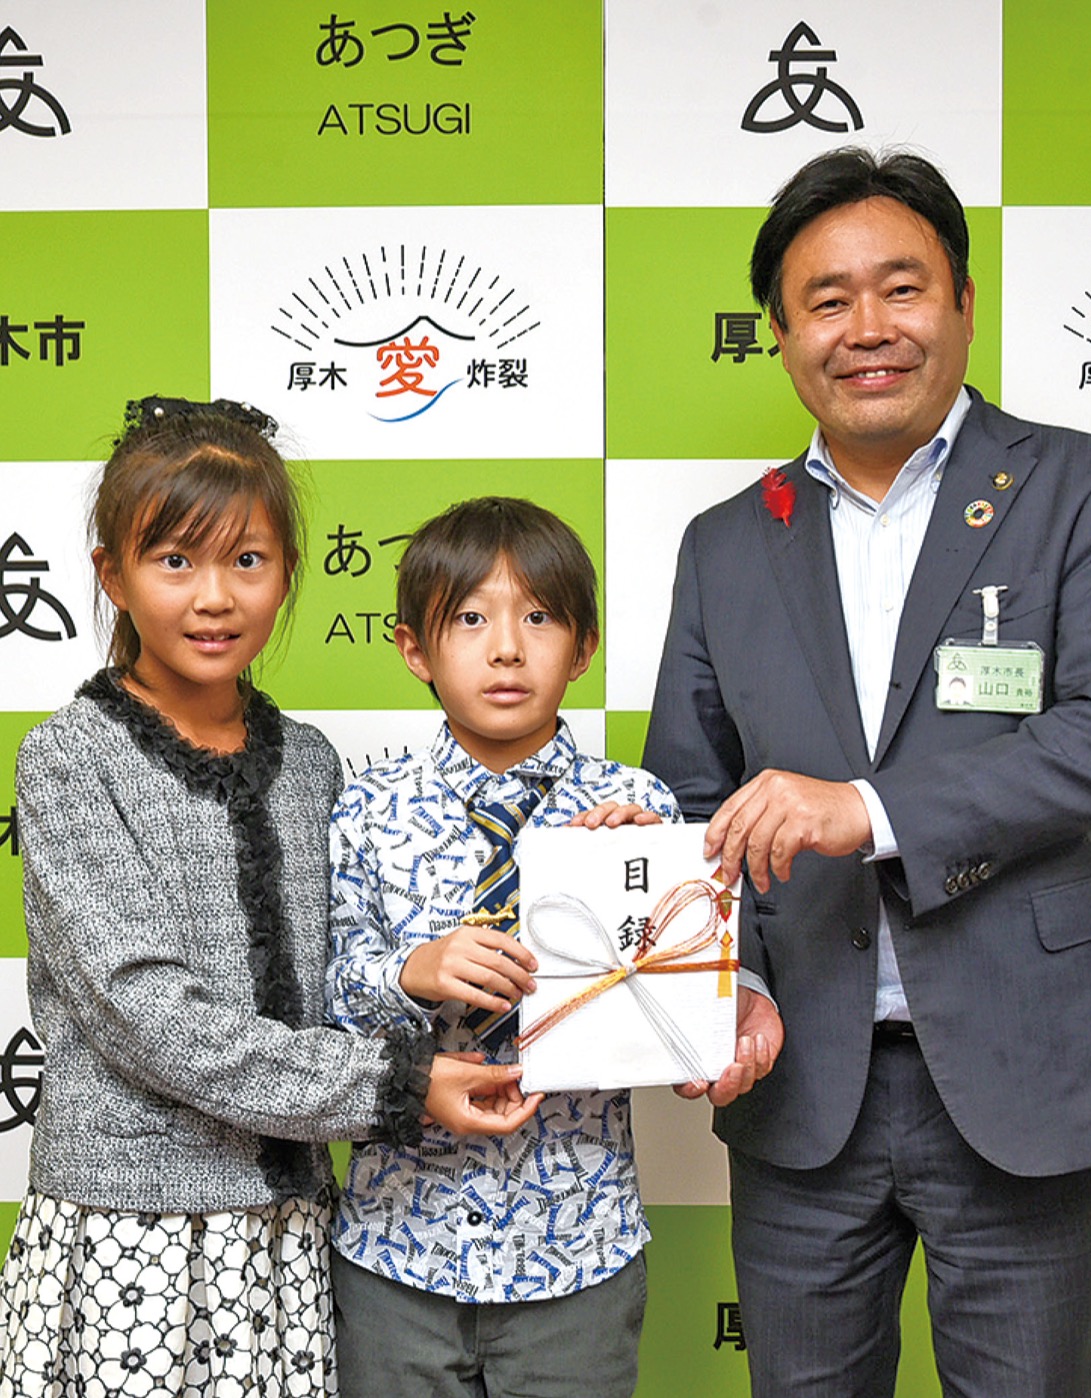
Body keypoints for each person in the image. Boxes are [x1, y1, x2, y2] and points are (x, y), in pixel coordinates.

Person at [643, 148, 1091, 1397]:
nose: (869, 328)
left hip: (1028, 1075)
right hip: (800, 1086)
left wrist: (866, 810)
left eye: (902, 288)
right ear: (782, 334)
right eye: (828, 301)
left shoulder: (1085, 487)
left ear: (963, 303)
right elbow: (692, 800)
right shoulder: (726, 544)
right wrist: (727, 987)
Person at [0, 398, 538, 1397]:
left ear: (288, 571)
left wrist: (595, 843)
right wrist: (395, 1086)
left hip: (292, 1227)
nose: (214, 597)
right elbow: (145, 1016)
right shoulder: (70, 760)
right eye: (175, 561)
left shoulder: (311, 764)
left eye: (246, 560)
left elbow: (364, 956)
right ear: (112, 575)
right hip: (134, 1232)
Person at [325, 496, 685, 1398]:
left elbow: (679, 1023)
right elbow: (323, 1008)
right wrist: (409, 972)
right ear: (415, 649)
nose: (507, 649)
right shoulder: (366, 807)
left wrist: (646, 898)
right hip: (397, 1241)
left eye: (539, 617)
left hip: (580, 1240)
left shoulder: (637, 810)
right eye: (470, 619)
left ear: (584, 647)